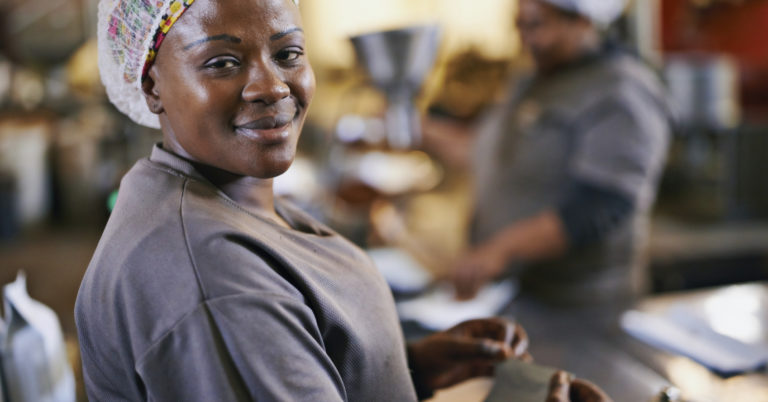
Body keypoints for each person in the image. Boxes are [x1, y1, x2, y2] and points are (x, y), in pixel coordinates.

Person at [75, 0, 609, 400]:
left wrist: (397, 368)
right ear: (151, 87)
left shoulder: (230, 200)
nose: (273, 86)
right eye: (221, 63)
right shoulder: (213, 279)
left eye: (287, 53)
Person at [452, 0, 672, 304]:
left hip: (582, 305)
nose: (526, 39)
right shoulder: (532, 81)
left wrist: (501, 249)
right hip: (519, 294)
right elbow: (486, 151)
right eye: (520, 25)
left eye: (537, 25)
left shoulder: (620, 89)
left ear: (582, 21)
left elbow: (602, 204)